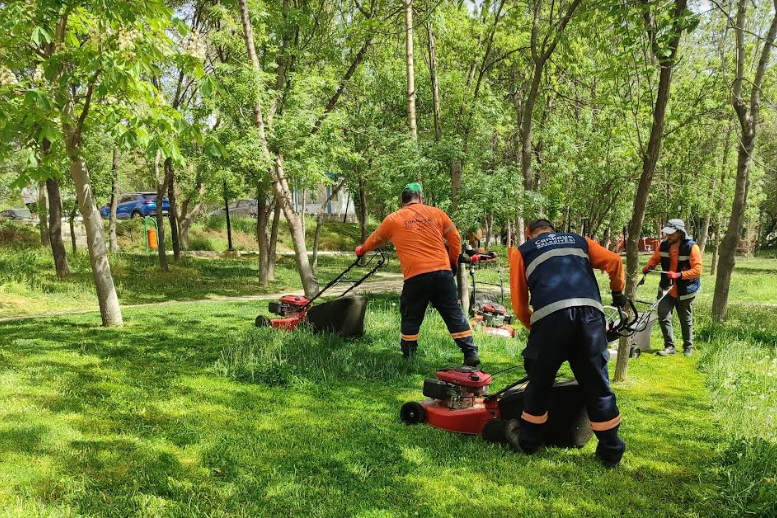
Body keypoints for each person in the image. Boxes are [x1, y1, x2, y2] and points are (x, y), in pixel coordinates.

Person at [507, 218, 627, 467]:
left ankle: (529, 442)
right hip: (590, 317)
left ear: (530, 234)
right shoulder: (579, 241)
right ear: (553, 229)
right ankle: (611, 450)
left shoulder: (524, 251)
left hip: (550, 319)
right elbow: (615, 261)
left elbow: (519, 304)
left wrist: (535, 327)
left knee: (540, 382)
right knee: (596, 382)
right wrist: (618, 293)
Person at [355, 182, 480, 366]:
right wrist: (452, 262)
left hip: (416, 277)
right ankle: (470, 353)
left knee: (411, 315)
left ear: (402, 201)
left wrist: (361, 250)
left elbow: (375, 239)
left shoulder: (393, 219)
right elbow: (455, 239)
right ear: (421, 198)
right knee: (453, 313)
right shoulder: (437, 213)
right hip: (442, 273)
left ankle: (409, 358)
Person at [642, 219, 702, 357]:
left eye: (671, 234)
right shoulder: (663, 245)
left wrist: (679, 275)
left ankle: (688, 347)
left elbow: (697, 270)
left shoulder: (692, 247)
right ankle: (669, 346)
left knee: (685, 319)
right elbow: (654, 259)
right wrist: (649, 266)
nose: (668, 236)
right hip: (666, 288)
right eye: (667, 233)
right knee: (663, 315)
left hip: (685, 289)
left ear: (680, 233)